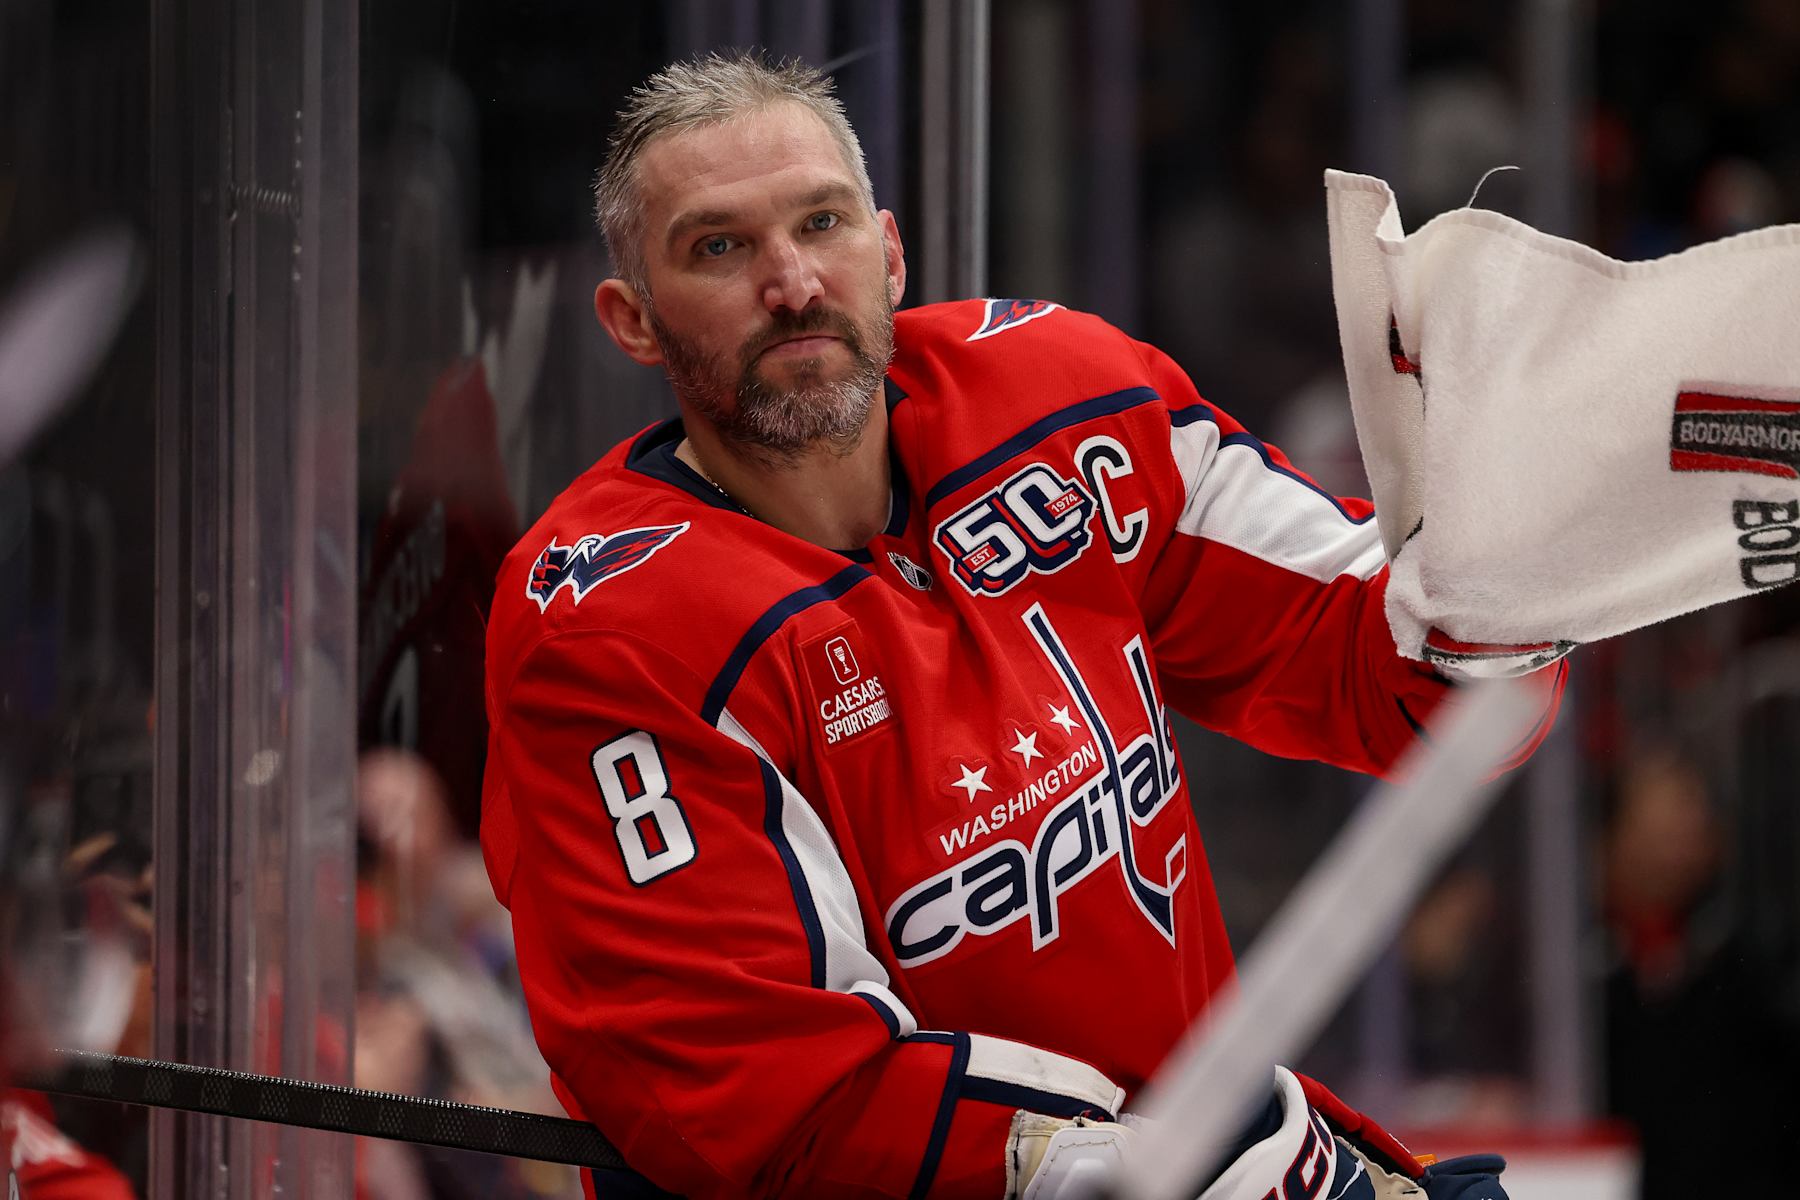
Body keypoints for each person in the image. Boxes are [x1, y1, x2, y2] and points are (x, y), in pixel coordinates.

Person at [479, 51, 1565, 1199]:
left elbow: (1392, 677)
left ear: (889, 253)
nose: (792, 282)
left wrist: (1512, 578)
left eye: (822, 223)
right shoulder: (609, 632)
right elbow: (774, 1094)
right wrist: (1113, 1161)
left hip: (1217, 1153)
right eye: (719, 248)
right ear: (634, 321)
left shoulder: (1055, 396)